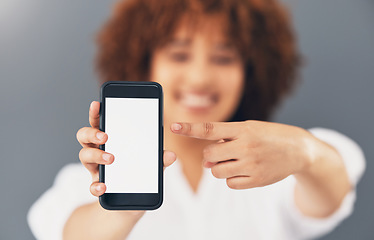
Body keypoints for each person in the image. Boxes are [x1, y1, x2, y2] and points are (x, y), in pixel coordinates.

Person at [28, 0, 365, 239]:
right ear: (146, 64)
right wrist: (122, 207)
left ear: (251, 72)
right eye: (179, 54)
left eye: (223, 57)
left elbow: (331, 191)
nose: (200, 77)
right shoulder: (83, 183)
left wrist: (304, 152)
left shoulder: (277, 161)